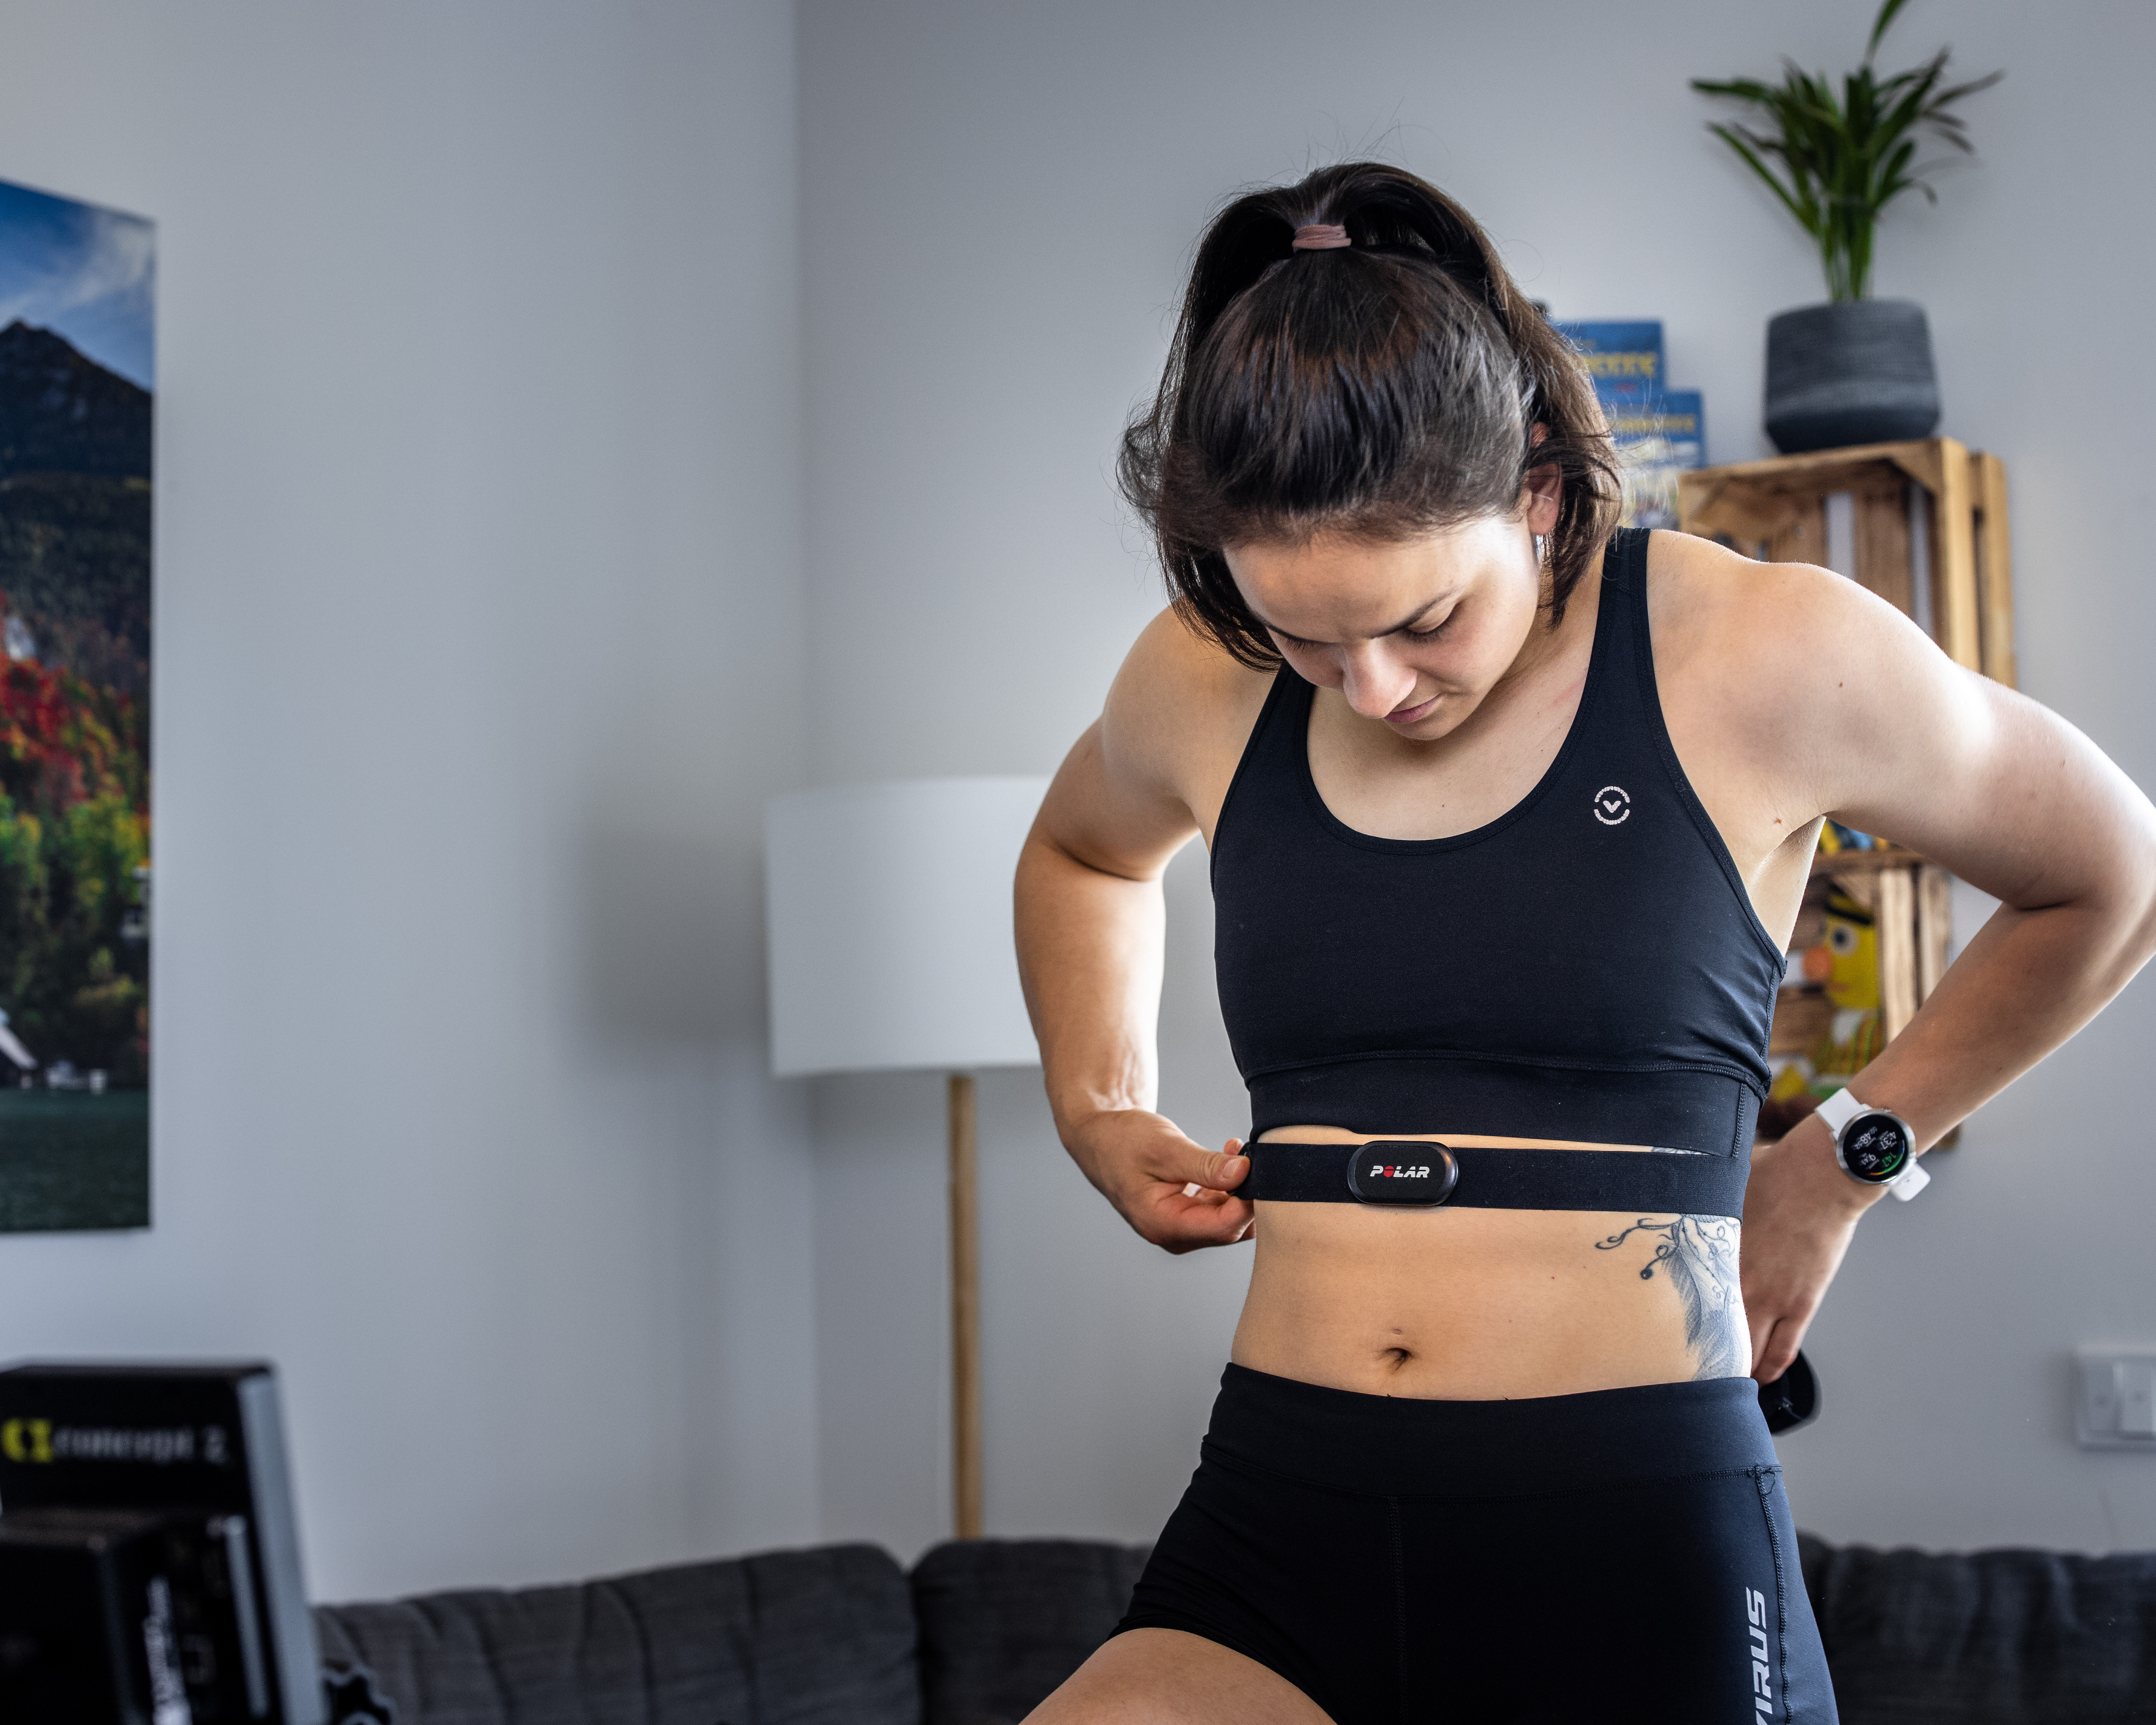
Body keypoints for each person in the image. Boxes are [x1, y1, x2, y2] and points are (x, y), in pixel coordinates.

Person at [1012, 162, 2156, 1725]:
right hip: (1280, 1516)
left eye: (1423, 620)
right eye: (1306, 637)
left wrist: (1838, 1164)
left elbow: (2113, 877)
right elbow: (1082, 851)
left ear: (1539, 493)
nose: (1371, 689)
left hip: (1630, 1543)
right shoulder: (1200, 681)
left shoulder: (1757, 652)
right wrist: (1097, 1110)